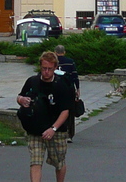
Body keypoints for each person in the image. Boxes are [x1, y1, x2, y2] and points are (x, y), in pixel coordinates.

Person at [17, 51, 73, 182]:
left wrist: (53, 129)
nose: (46, 72)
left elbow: (65, 111)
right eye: (44, 68)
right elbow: (20, 96)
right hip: (36, 129)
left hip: (56, 130)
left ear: (55, 68)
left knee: (59, 162)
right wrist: (21, 100)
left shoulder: (62, 85)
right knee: (35, 161)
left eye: (49, 69)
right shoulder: (32, 81)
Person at [54, 44, 79, 142]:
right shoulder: (70, 62)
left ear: (55, 52)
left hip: (55, 89)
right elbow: (75, 76)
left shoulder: (54, 62)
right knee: (70, 111)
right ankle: (69, 134)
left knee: (57, 110)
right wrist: (78, 89)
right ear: (64, 52)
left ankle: (57, 130)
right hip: (69, 89)